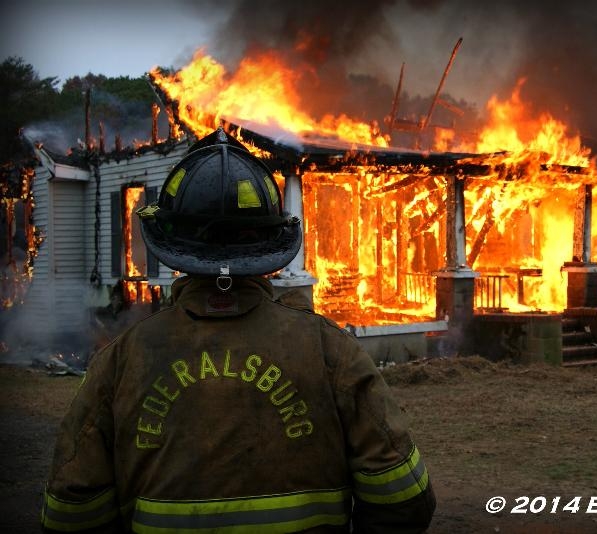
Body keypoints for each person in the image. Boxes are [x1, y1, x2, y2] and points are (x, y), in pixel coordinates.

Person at [41, 128, 435, 533]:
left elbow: (71, 515)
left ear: (168, 243)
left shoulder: (121, 361)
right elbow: (404, 501)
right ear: (274, 243)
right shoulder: (331, 351)